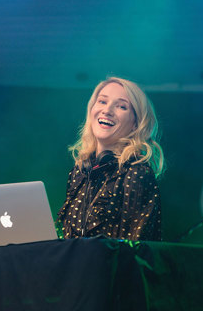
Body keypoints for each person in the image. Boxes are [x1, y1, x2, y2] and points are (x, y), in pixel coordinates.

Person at [56, 77, 165, 241]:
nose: (107, 110)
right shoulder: (79, 173)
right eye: (102, 102)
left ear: (136, 124)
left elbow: (136, 250)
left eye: (121, 106)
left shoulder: (137, 174)